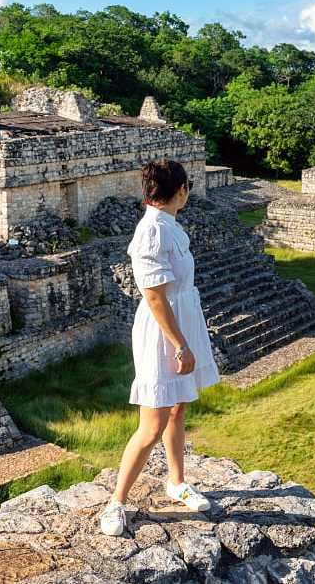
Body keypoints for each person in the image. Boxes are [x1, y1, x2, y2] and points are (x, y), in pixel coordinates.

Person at [99, 159, 220, 537]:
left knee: (178, 406)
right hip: (163, 330)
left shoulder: (170, 226)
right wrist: (180, 345)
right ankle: (116, 502)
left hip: (182, 317)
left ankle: (176, 480)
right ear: (181, 190)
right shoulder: (151, 231)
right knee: (151, 423)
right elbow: (153, 297)